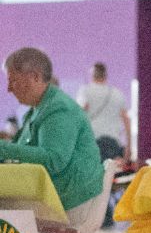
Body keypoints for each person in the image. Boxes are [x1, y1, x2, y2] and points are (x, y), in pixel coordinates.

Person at [1, 48, 104, 221]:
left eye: (13, 81)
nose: (8, 89)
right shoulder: (39, 108)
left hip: (71, 198)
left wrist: (4, 149)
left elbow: (53, 160)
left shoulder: (58, 109)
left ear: (34, 77)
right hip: (60, 192)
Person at [76, 62, 130, 161]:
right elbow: (126, 121)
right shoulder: (117, 94)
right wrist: (128, 147)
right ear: (105, 75)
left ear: (92, 75)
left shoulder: (86, 91)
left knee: (92, 174)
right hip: (113, 143)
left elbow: (79, 114)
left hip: (92, 141)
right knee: (110, 174)